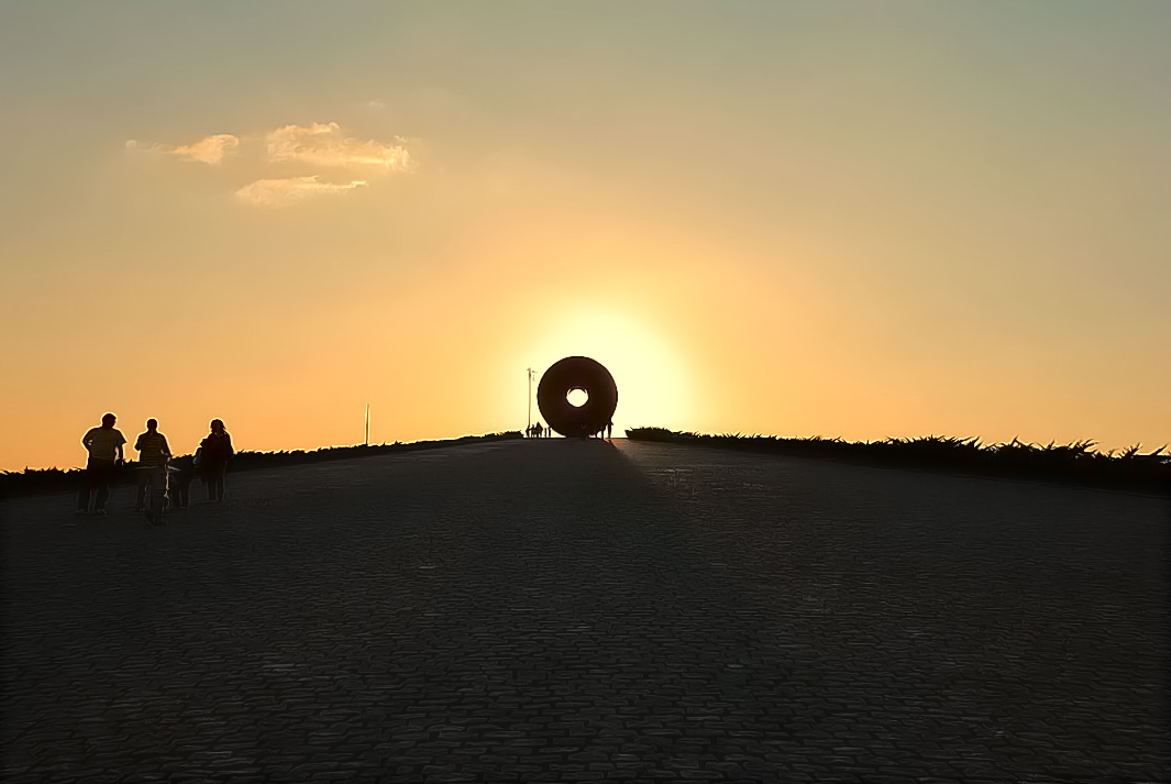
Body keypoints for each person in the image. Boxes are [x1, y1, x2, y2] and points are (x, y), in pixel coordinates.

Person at [77, 413, 125, 515]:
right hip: (95, 460)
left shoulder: (116, 433)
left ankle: (100, 507)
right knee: (88, 484)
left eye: (113, 422)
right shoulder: (95, 431)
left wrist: (120, 458)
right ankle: (82, 507)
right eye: (110, 421)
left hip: (108, 461)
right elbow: (85, 441)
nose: (112, 423)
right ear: (104, 421)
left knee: (104, 485)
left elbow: (120, 446)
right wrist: (90, 450)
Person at [133, 419, 171, 519]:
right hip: (144, 465)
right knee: (142, 486)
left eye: (153, 425)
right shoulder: (142, 436)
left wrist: (166, 459)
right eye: (150, 425)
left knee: (156, 487)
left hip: (157, 465)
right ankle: (139, 504)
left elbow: (166, 449)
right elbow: (137, 447)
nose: (151, 427)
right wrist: (144, 440)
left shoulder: (160, 437)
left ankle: (155, 506)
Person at [197, 419, 234, 501]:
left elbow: (228, 447)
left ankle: (220, 497)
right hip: (211, 460)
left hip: (221, 460)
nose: (216, 426)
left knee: (219, 478)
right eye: (214, 425)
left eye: (217, 424)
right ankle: (212, 497)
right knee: (211, 479)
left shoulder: (225, 436)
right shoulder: (211, 436)